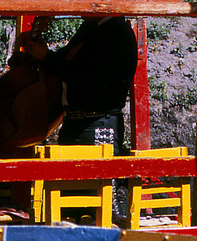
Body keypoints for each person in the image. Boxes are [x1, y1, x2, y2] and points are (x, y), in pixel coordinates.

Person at [20, 17, 138, 156]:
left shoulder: (117, 31)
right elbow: (65, 61)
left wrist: (45, 56)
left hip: (98, 122)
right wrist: (40, 53)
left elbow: (86, 76)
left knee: (98, 175)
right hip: (75, 122)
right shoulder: (92, 26)